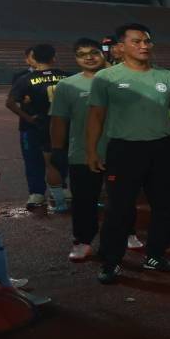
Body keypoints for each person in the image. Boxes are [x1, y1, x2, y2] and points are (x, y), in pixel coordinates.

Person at [87, 23, 170, 284]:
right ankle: (111, 261)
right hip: (124, 150)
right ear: (121, 47)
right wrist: (91, 150)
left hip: (161, 148)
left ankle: (155, 255)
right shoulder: (106, 78)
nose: (144, 46)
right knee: (119, 209)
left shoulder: (167, 77)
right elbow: (96, 116)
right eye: (136, 41)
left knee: (165, 206)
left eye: (147, 41)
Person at [50, 39, 111, 261]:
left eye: (93, 52)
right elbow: (59, 120)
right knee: (84, 200)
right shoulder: (67, 85)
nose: (89, 57)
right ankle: (83, 241)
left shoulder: (118, 80)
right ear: (75, 58)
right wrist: (57, 150)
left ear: (102, 54)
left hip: (119, 150)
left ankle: (128, 233)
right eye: (82, 54)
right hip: (82, 153)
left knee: (123, 199)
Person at [5, 42, 67, 212]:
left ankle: (40, 193)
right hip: (57, 124)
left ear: (33, 58)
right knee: (57, 156)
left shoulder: (25, 79)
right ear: (54, 58)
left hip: (33, 125)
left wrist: (29, 118)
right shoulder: (66, 76)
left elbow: (10, 102)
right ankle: (54, 190)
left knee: (36, 159)